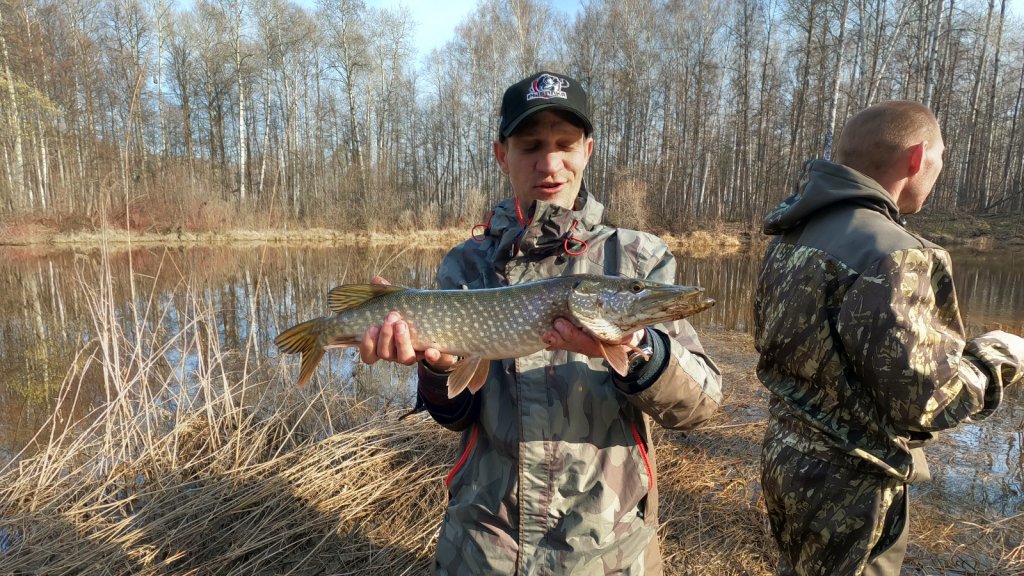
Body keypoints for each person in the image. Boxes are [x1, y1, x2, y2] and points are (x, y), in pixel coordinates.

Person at [358, 71, 723, 574]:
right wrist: (437, 370)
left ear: (587, 150)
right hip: (485, 544)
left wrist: (640, 349)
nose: (549, 163)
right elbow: (456, 415)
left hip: (609, 547)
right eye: (530, 145)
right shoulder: (466, 265)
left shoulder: (637, 258)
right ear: (501, 154)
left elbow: (701, 407)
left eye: (564, 144)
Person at [754, 100, 1024, 575]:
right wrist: (999, 357)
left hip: (786, 460)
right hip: (854, 488)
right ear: (918, 158)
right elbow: (930, 400)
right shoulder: (896, 253)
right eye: (940, 158)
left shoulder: (791, 236)